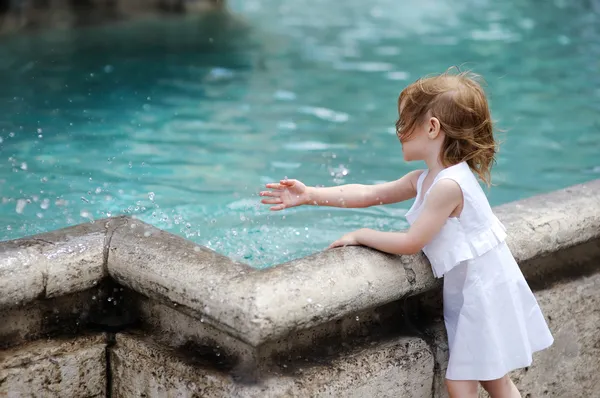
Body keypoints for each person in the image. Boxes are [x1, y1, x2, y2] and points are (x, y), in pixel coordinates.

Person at [259, 69, 554, 398]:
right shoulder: (427, 178)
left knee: (463, 381)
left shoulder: (448, 186)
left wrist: (362, 235)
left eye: (403, 123)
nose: (398, 131)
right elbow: (370, 193)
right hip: (478, 288)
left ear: (431, 128)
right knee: (494, 379)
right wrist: (310, 194)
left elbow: (411, 242)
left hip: (482, 293)